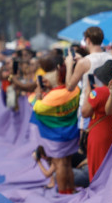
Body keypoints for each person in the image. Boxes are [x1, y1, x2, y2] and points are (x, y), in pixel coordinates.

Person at [31, 55, 80, 194]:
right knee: (68, 163)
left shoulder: (53, 96)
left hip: (56, 136)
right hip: (71, 132)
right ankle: (71, 188)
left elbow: (36, 108)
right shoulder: (74, 91)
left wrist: (38, 92)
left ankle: (64, 191)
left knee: (59, 164)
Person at [81, 61, 112, 182]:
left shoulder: (98, 92)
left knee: (97, 168)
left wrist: (88, 90)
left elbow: (85, 112)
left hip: (98, 134)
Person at [64, 26, 112, 91]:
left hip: (88, 100)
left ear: (88, 40)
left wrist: (69, 65)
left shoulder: (83, 62)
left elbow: (70, 87)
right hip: (108, 99)